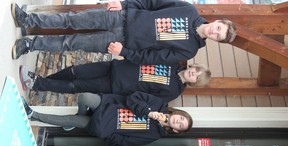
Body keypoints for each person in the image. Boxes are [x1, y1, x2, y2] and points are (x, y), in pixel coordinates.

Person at [11, 0, 236, 64]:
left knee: (71, 43)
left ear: (216, 41)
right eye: (219, 28)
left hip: (120, 41)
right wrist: (124, 3)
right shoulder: (188, 9)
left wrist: (124, 52)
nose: (215, 32)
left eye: (218, 35)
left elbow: (151, 57)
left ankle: (30, 45)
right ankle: (28, 19)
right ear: (217, 21)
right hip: (122, 16)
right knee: (72, 19)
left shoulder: (188, 51)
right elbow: (151, 3)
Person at [22, 91, 193, 146]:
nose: (178, 121)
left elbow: (126, 141)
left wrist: (106, 133)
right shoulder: (159, 104)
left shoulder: (155, 135)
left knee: (74, 121)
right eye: (181, 118)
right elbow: (134, 97)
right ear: (178, 113)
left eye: (181, 125)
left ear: (176, 130)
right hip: (108, 106)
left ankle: (32, 114)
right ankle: (78, 117)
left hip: (103, 125)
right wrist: (148, 112)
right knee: (84, 97)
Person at [19, 59, 211, 102]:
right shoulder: (173, 63)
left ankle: (36, 83)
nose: (193, 74)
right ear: (192, 67)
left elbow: (144, 97)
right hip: (116, 67)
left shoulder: (174, 92)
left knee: (74, 86)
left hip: (115, 85)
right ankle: (40, 81)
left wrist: (123, 93)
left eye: (196, 77)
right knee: (74, 71)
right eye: (196, 70)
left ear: (194, 82)